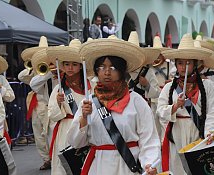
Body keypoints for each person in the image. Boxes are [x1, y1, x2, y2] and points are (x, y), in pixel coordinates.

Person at [68, 35, 161, 175]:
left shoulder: (137, 101)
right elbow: (75, 143)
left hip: (129, 166)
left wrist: (149, 163)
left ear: (121, 70)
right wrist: (83, 119)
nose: (106, 72)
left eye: (112, 67)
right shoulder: (88, 103)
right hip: (99, 166)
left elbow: (149, 139)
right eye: (101, 67)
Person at [158, 34, 214, 174]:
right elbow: (160, 111)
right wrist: (175, 106)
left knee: (198, 167)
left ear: (195, 64)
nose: (184, 67)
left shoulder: (207, 86)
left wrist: (210, 132)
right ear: (176, 64)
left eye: (188, 63)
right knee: (179, 167)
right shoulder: (169, 87)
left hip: (199, 132)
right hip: (177, 133)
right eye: (180, 63)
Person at [47, 39, 93, 175]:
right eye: (66, 64)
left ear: (81, 66)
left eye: (74, 64)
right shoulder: (59, 88)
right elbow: (53, 116)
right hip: (66, 130)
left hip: (87, 127)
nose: (70, 68)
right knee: (64, 166)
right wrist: (59, 102)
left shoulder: (92, 86)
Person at [19, 36, 53, 170]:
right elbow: (21, 77)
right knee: (38, 135)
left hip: (47, 106)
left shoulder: (50, 71)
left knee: (48, 134)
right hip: (35, 106)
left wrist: (47, 71)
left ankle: (53, 157)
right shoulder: (36, 71)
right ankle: (46, 159)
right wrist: (33, 67)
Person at [127, 32, 162, 140]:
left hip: (143, 108)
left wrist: (146, 85)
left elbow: (157, 93)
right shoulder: (121, 72)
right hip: (125, 109)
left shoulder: (148, 72)